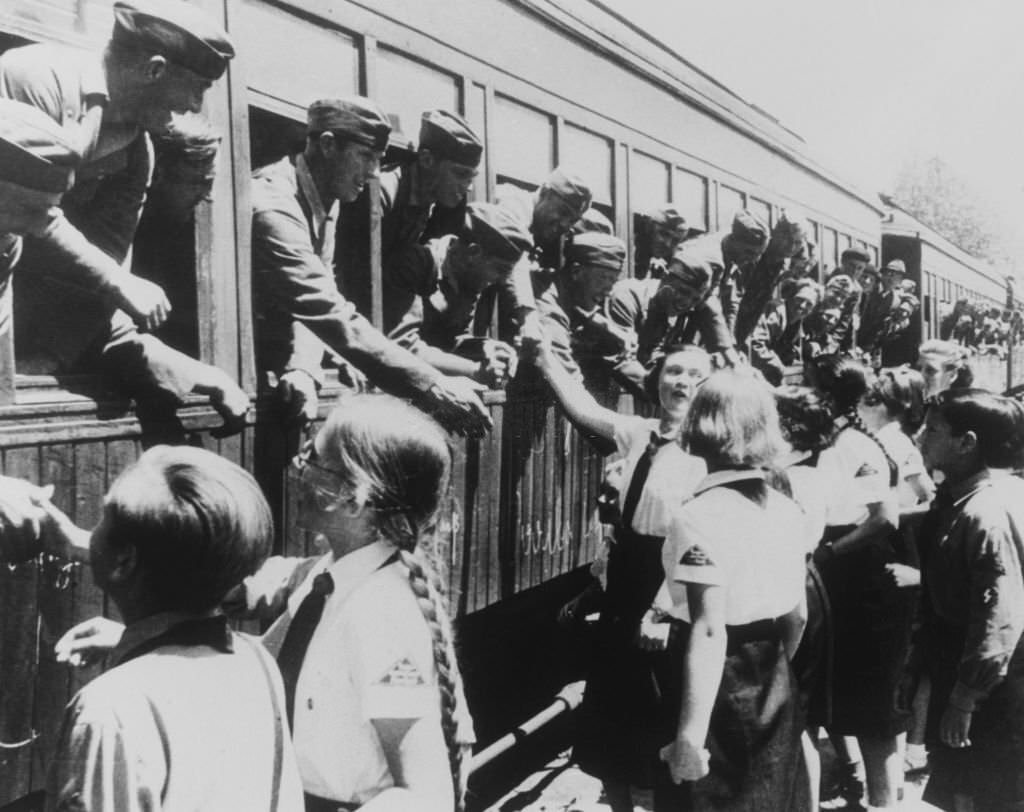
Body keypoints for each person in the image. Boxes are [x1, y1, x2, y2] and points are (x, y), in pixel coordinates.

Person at [2, 1, 250, 433]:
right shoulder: (41, 77)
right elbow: (28, 211)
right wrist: (117, 282)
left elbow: (105, 282)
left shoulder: (138, 155)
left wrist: (191, 372)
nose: (194, 106)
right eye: (198, 88)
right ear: (154, 69)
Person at [230, 395, 474, 810]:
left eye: (313, 458)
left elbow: (426, 797)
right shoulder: (329, 579)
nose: (297, 467)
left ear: (354, 499)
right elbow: (262, 665)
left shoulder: (380, 612)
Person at [44, 446, 305, 810]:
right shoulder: (257, 661)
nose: (93, 530)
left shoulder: (109, 709)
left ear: (124, 561)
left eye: (103, 517)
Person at [525, 330, 709, 811]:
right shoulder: (639, 433)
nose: (682, 381)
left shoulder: (707, 454)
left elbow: (700, 545)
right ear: (657, 379)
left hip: (665, 588)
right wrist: (545, 358)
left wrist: (665, 610)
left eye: (695, 375)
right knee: (613, 724)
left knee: (651, 723)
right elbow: (582, 408)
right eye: (674, 371)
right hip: (625, 590)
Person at [250, 96, 490, 435]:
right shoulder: (276, 205)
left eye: (379, 159)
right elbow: (321, 305)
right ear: (328, 146)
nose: (375, 173)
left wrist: (305, 365)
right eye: (365, 157)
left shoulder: (324, 201)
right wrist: (432, 383)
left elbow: (318, 296)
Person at [655, 369, 811, 812]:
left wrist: (689, 736)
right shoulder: (786, 509)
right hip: (775, 670)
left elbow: (709, 631)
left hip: (717, 680)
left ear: (699, 426)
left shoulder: (698, 516)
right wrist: (775, 676)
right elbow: (798, 616)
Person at [915, 389, 1024, 812]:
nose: (921, 436)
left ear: (967, 443)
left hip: (992, 685)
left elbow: (999, 618)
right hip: (973, 670)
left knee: (987, 794)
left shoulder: (986, 513)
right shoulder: (981, 495)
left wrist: (965, 698)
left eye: (934, 429)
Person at [808, 355, 905, 811]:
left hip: (859, 576)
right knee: (832, 691)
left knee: (869, 703)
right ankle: (851, 786)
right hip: (835, 571)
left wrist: (829, 552)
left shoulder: (855, 445)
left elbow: (884, 518)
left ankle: (883, 802)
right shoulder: (833, 439)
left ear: (827, 395)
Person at [335, 108, 483, 308]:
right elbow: (355, 277)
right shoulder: (383, 193)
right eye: (460, 174)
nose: (468, 186)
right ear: (427, 160)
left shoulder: (428, 199)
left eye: (471, 177)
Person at [380, 201, 530, 387]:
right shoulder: (415, 265)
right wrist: (474, 371)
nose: (500, 280)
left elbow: (450, 341)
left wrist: (485, 348)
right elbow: (402, 346)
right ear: (474, 253)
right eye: (500, 269)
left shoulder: (469, 279)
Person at [606, 244, 737, 394]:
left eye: (695, 299)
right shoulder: (627, 296)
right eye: (683, 292)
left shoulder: (671, 306)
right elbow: (621, 361)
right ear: (665, 277)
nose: (686, 303)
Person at [748, 278, 821, 385]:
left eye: (809, 304)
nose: (802, 306)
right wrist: (781, 369)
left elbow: (790, 353)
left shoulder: (797, 323)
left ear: (812, 310)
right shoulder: (775, 310)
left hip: (770, 371)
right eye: (799, 299)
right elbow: (756, 345)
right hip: (753, 367)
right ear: (790, 297)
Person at [634, 205, 688, 280]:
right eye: (664, 234)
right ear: (649, 229)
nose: (668, 244)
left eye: (675, 240)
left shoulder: (662, 267)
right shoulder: (631, 254)